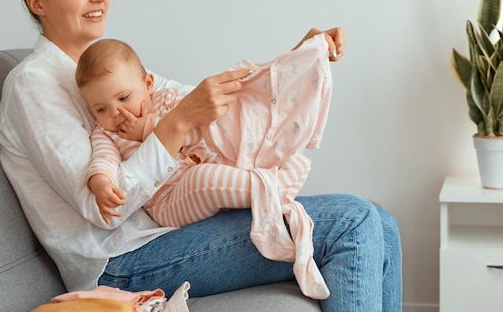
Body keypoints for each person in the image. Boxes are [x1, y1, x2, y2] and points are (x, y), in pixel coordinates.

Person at [0, 0, 402, 312]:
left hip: (163, 230)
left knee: (381, 222)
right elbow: (104, 212)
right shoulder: (34, 85)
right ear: (38, 2)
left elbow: (210, 102)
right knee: (354, 220)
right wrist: (176, 124)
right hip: (118, 261)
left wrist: (299, 59)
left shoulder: (106, 67)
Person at [76, 37, 333, 298]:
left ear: (148, 84)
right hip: (169, 201)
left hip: (205, 170)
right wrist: (101, 184)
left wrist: (302, 53)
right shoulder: (106, 135)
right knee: (203, 179)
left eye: (123, 97)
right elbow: (102, 161)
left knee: (239, 140)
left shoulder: (168, 101)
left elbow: (212, 115)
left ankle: (269, 180)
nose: (116, 112)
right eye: (101, 109)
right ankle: (273, 188)